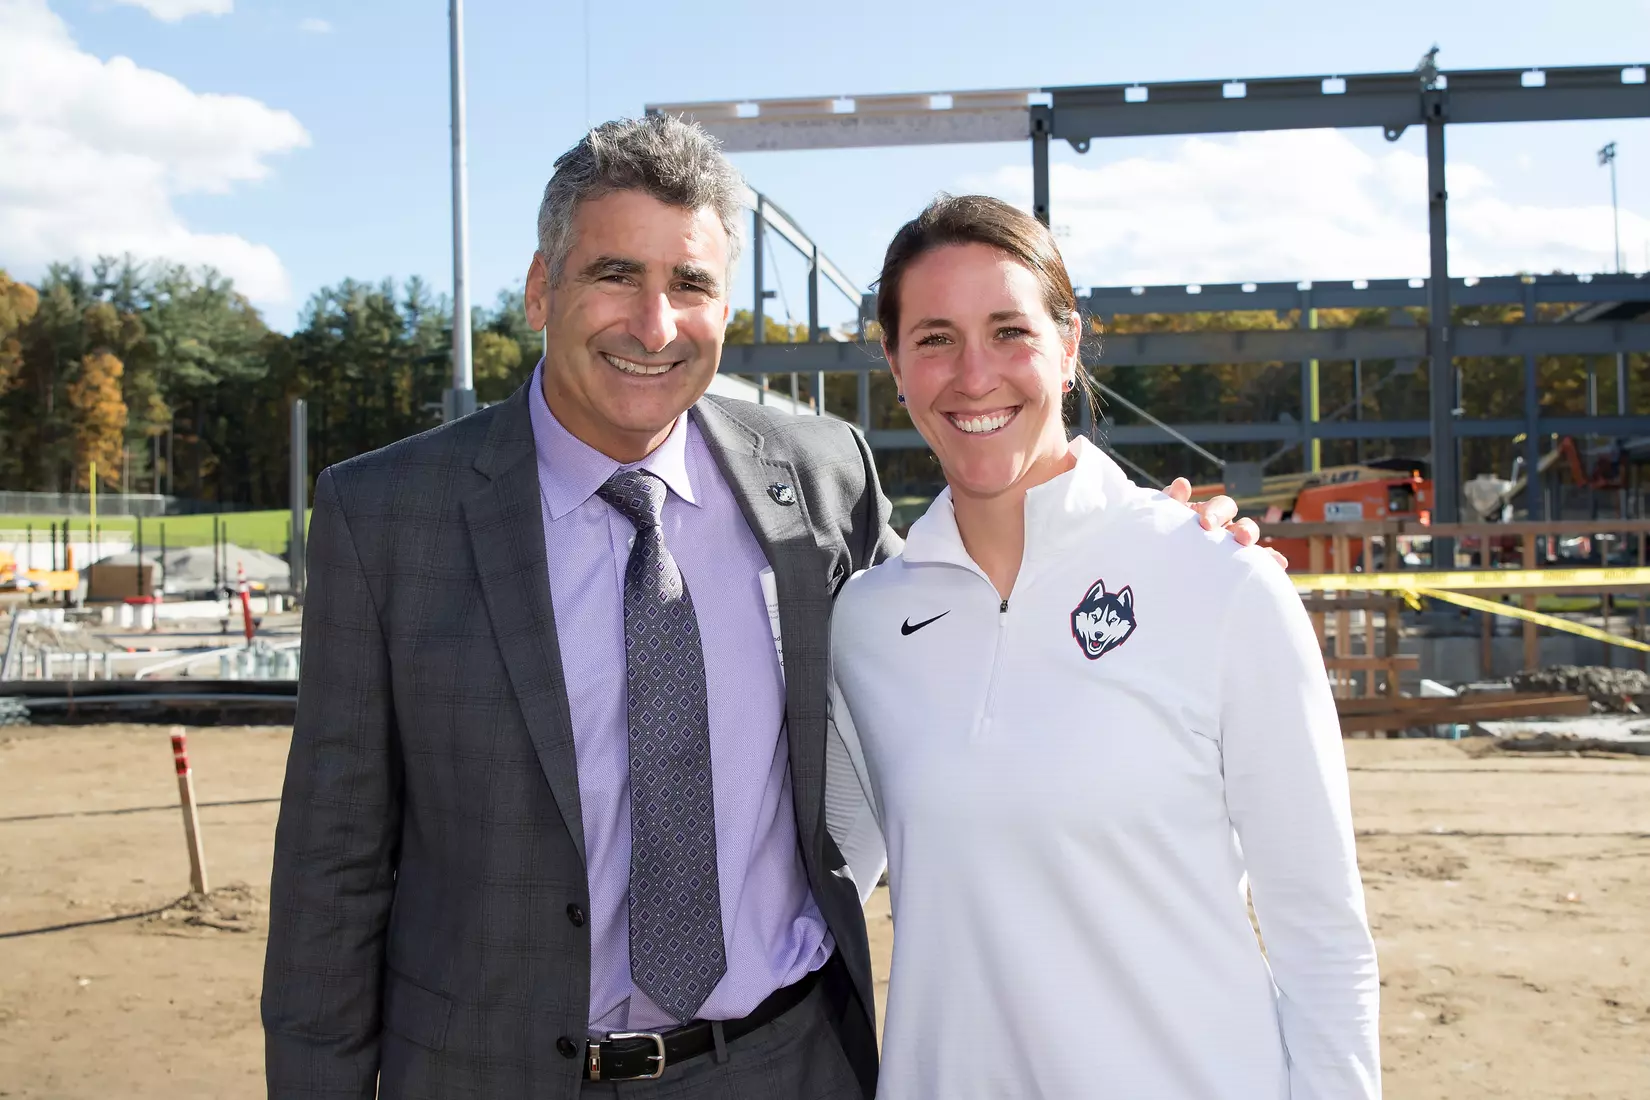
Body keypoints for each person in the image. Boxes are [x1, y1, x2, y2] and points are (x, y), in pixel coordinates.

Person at [261, 116, 1268, 1098]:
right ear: (539, 287)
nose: (655, 325)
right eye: (616, 274)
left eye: (690, 284)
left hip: (786, 1062)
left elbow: (974, 627)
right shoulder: (388, 517)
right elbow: (330, 874)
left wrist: (1152, 545)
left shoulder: (819, 477)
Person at [826, 194, 1381, 1099]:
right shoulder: (866, 623)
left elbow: (1322, 936)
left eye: (1009, 331)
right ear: (894, 363)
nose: (974, 374)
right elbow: (819, 876)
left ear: (1068, 343)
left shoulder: (1221, 582)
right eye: (934, 339)